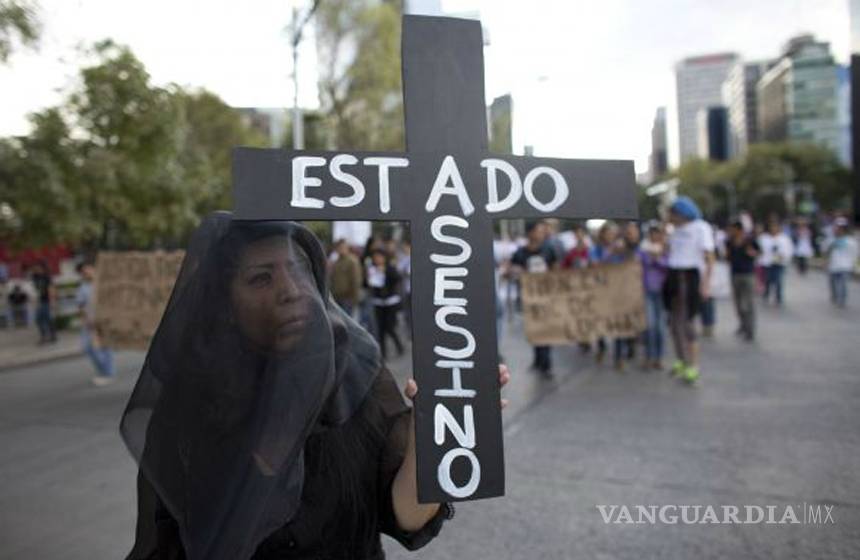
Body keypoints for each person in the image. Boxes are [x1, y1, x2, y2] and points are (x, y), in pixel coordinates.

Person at [122, 214, 513, 560]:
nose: (291, 290)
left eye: (299, 269)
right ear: (224, 304)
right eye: (261, 278)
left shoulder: (357, 374)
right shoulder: (188, 408)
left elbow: (407, 517)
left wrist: (429, 437)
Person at [663, 197, 714, 385]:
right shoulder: (674, 230)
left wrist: (706, 283)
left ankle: (693, 365)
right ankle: (681, 359)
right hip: (673, 274)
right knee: (673, 322)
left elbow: (709, 257)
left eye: (672, 213)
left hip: (689, 275)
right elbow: (668, 251)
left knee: (687, 323)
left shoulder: (701, 227)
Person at [511, 220, 557, 376]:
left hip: (546, 297)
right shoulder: (520, 252)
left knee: (546, 329)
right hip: (528, 298)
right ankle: (538, 359)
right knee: (535, 329)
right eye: (539, 230)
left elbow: (556, 269)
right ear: (530, 233)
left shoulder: (549, 250)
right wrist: (517, 272)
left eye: (543, 231)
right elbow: (511, 270)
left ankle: (546, 363)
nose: (542, 233)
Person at [76, 261, 116, 386]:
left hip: (104, 321)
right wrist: (85, 320)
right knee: (89, 348)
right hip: (90, 323)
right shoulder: (83, 288)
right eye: (83, 272)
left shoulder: (104, 284)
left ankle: (107, 374)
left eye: (88, 269)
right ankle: (103, 372)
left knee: (105, 347)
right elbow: (81, 306)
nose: (87, 273)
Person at [366, 248, 404, 359]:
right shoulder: (372, 269)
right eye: (375, 257)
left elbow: (397, 278)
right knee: (380, 329)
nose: (377, 259)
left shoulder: (390, 268)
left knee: (389, 327)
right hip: (378, 302)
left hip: (390, 302)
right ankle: (383, 353)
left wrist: (385, 272)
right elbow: (368, 284)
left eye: (379, 257)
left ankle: (399, 346)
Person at [725, 221, 760, 341]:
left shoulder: (750, 240)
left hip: (748, 274)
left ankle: (750, 329)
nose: (731, 231)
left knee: (748, 303)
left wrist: (752, 253)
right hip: (735, 274)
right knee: (738, 303)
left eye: (732, 229)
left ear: (739, 229)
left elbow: (758, 252)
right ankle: (743, 325)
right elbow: (727, 257)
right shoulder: (729, 241)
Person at [639, 222, 667, 369]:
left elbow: (668, 266)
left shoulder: (666, 249)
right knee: (650, 326)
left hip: (662, 291)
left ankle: (659, 357)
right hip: (647, 291)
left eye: (657, 233)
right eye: (653, 233)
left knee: (660, 327)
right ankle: (649, 356)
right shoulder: (643, 250)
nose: (655, 235)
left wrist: (657, 259)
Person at [758, 220, 793, 306]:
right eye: (772, 227)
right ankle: (766, 294)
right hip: (767, 262)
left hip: (779, 263)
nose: (774, 229)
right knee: (767, 279)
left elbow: (789, 250)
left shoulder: (784, 238)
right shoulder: (764, 238)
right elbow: (760, 250)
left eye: (775, 227)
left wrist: (783, 256)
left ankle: (778, 297)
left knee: (778, 280)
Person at [826, 218, 858, 308]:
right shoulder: (831, 240)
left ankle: (842, 300)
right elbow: (826, 252)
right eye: (838, 227)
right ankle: (835, 296)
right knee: (833, 284)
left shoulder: (851, 241)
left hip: (846, 266)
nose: (839, 229)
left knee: (843, 284)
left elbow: (855, 253)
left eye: (841, 228)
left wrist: (854, 265)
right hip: (833, 265)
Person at [329, 239, 363, 317]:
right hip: (337, 297)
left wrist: (354, 298)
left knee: (346, 320)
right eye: (339, 247)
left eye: (343, 247)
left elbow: (356, 280)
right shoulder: (336, 261)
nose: (341, 249)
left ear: (347, 248)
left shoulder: (352, 261)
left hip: (348, 298)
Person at [30, 260, 57, 344]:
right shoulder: (34, 277)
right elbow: (33, 289)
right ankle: (44, 336)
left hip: (46, 301)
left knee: (48, 318)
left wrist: (52, 301)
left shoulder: (46, 277)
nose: (35, 268)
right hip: (38, 301)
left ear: (41, 267)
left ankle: (52, 336)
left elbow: (51, 288)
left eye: (37, 266)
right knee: (38, 319)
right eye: (35, 267)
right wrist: (34, 300)